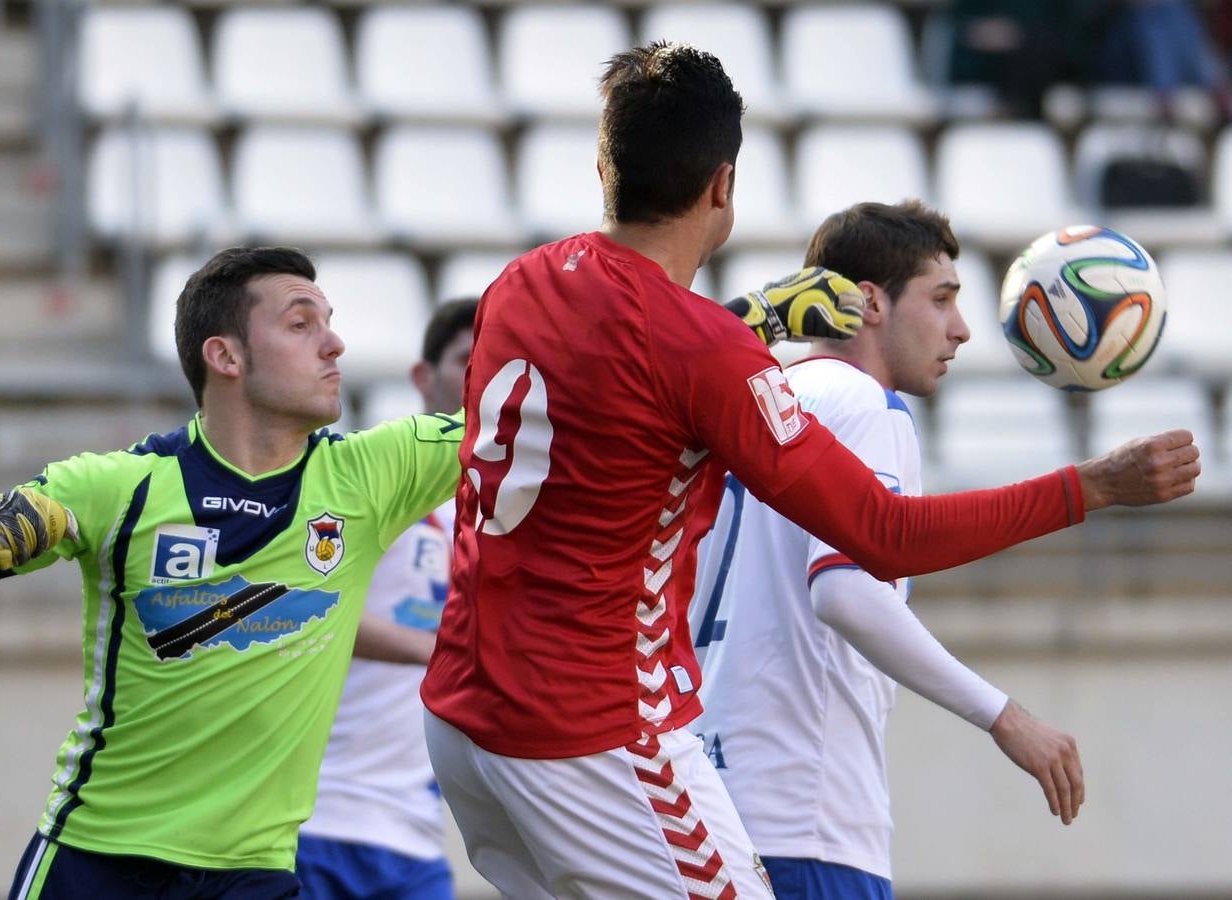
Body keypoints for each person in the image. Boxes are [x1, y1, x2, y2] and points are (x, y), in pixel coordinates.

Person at [417, 42, 1199, 900]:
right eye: (942, 300)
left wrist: (747, 318)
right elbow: (884, 537)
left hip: (463, 713)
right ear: (724, 184)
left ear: (604, 165)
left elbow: (626, 376)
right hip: (592, 726)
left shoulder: (523, 282)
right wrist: (1089, 486)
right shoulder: (723, 356)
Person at [0, 247, 465, 898]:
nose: (335, 345)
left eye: (328, 321)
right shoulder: (117, 487)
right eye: (302, 325)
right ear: (226, 357)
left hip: (257, 874)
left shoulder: (372, 475)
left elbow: (532, 419)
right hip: (96, 862)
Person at [690, 200, 1084, 900]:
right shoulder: (864, 405)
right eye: (941, 299)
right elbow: (844, 589)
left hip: (710, 805)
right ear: (870, 302)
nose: (960, 329)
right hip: (807, 820)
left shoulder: (749, 408)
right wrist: (1006, 716)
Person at [296, 298, 477, 900]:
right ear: (423, 378)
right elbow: (300, 611)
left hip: (416, 834)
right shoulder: (372, 488)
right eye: (467, 362)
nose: (485, 379)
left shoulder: (502, 511)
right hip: (318, 818)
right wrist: (440, 650)